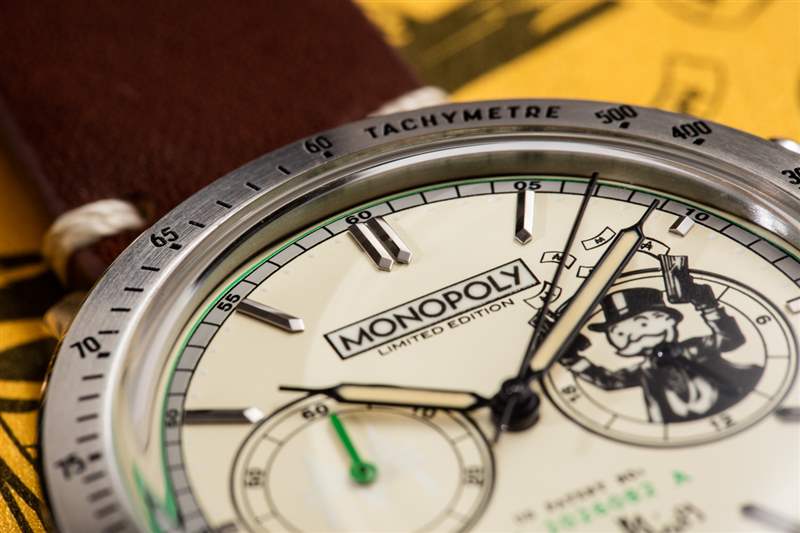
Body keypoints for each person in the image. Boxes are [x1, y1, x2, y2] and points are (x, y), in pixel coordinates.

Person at [559, 286, 762, 423]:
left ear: (666, 319)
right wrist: (569, 357)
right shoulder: (644, 370)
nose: (632, 335)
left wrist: (708, 306)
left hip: (736, 396)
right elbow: (608, 381)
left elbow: (731, 339)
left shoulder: (694, 347)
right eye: (619, 332)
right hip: (676, 425)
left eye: (642, 324)